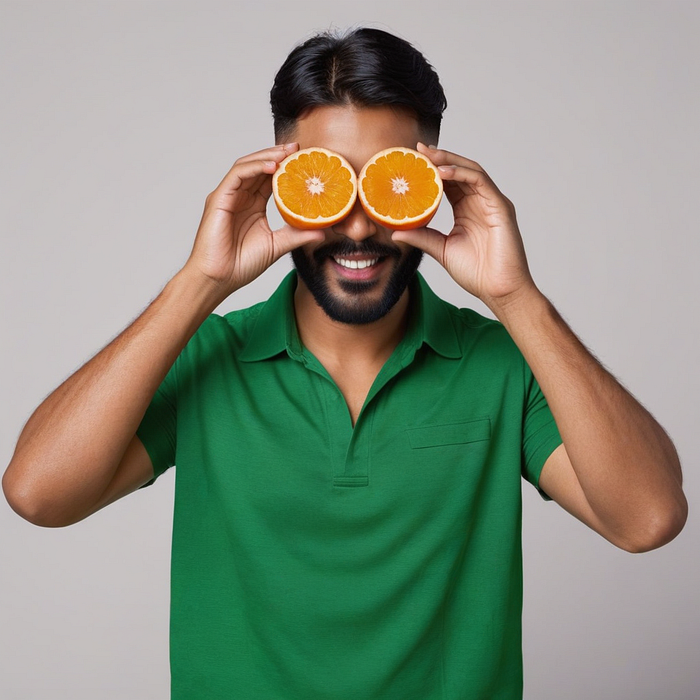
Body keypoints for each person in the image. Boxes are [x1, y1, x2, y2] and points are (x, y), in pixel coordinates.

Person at [3, 26, 687, 700]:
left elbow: (647, 520)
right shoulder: (209, 356)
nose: (358, 228)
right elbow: (40, 495)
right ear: (281, 179)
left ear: (432, 177)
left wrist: (518, 298)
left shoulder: (503, 364)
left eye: (386, 183)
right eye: (330, 186)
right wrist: (200, 283)